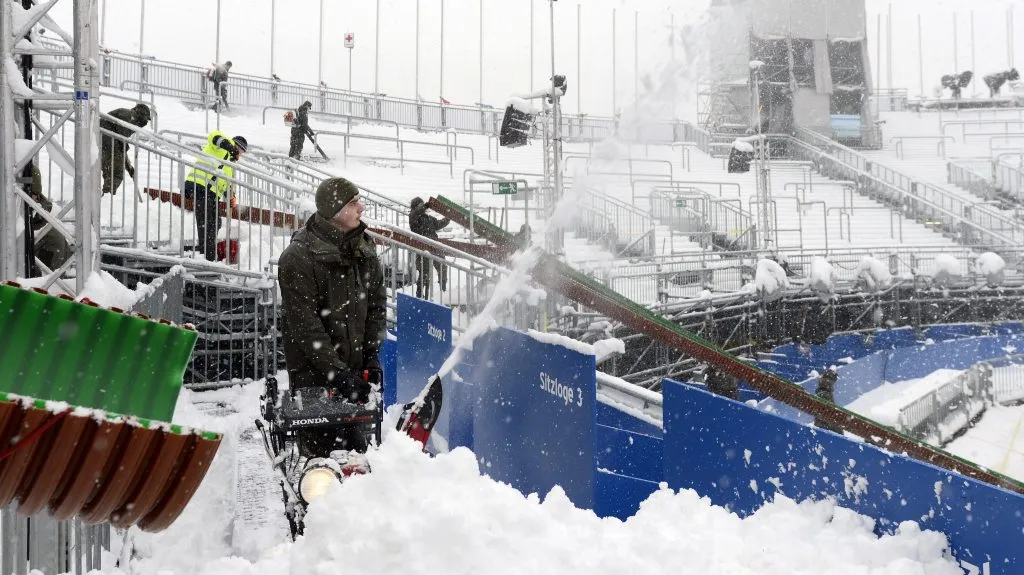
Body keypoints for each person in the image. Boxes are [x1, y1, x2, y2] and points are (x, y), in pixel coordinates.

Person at [278, 177, 386, 453]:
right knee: (319, 465)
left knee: (357, 460)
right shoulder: (298, 257)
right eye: (353, 203)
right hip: (314, 382)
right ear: (334, 210)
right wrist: (337, 374)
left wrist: (371, 355)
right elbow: (306, 327)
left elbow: (376, 306)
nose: (361, 208)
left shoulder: (364, 248)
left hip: (354, 379)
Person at [182, 131, 247, 261]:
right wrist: (230, 147)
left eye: (242, 153)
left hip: (210, 193)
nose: (240, 154)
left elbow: (226, 185)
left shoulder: (230, 165)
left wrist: (231, 197)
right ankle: (207, 255)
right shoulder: (222, 147)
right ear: (236, 145)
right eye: (240, 151)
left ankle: (207, 252)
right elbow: (214, 137)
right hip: (199, 185)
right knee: (206, 221)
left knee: (216, 222)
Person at [24, 163, 70, 275]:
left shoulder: (40, 209)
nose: (36, 198)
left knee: (57, 238)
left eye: (36, 195)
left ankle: (47, 280)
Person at [99, 103, 151, 195]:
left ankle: (104, 196)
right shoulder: (129, 118)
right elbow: (121, 144)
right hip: (107, 143)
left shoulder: (128, 116)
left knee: (110, 172)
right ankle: (107, 196)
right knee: (116, 173)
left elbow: (121, 144)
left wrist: (129, 167)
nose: (146, 122)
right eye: (146, 118)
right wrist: (128, 166)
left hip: (103, 142)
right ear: (141, 114)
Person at [409, 197, 450, 299]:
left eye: (422, 205)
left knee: (443, 267)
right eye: (420, 205)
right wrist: (425, 206)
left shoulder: (428, 218)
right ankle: (419, 295)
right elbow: (414, 214)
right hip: (423, 248)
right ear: (414, 207)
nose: (422, 207)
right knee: (424, 272)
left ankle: (443, 291)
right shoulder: (414, 218)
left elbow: (439, 224)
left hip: (435, 247)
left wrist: (448, 218)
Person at [814, 368, 844, 434]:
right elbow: (829, 412)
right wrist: (838, 429)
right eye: (834, 381)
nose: (834, 384)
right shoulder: (826, 392)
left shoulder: (823, 390)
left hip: (822, 425)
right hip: (826, 426)